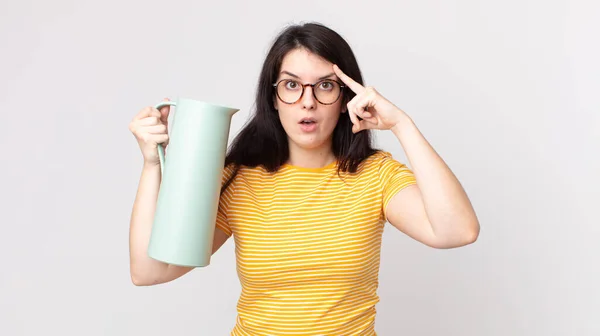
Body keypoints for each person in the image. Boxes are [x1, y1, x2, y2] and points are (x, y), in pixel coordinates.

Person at [128, 22, 480, 336]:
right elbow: (149, 271)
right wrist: (151, 165)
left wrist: (402, 124)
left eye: (325, 85)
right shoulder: (238, 180)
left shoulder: (376, 176)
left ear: (345, 99)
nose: (307, 101)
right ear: (274, 98)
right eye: (291, 85)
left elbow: (457, 231)